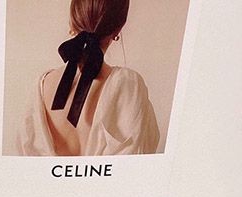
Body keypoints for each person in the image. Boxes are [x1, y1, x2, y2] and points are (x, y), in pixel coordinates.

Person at [17, 0, 159, 156]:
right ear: (118, 28)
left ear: (72, 22)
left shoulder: (42, 86)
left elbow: (26, 159)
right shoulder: (128, 85)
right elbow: (139, 157)